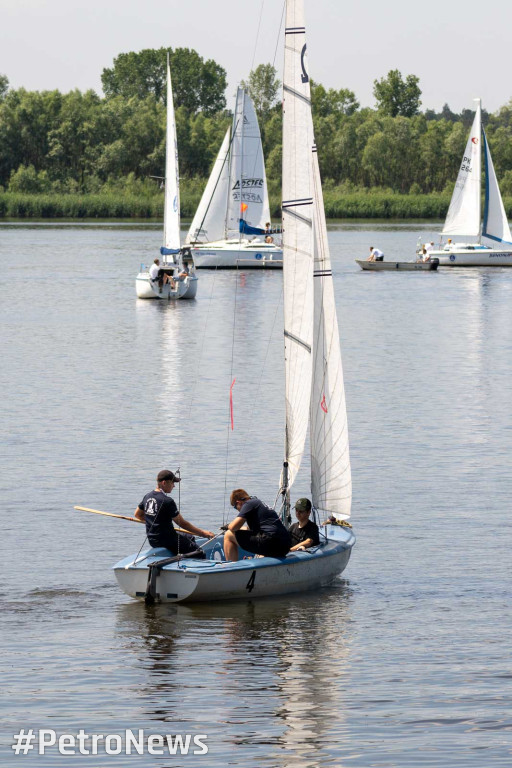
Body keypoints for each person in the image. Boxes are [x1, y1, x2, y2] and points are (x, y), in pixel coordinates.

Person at [134, 469, 215, 556]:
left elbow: (137, 515)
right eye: (172, 483)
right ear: (164, 483)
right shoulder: (168, 501)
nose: (174, 486)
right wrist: (203, 533)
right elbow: (182, 523)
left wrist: (154, 521)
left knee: (190, 537)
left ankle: (183, 557)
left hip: (152, 540)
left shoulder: (147, 496)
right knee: (200, 553)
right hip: (168, 540)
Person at [224, 489, 292, 561]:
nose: (237, 510)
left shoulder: (248, 504)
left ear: (239, 503)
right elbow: (250, 530)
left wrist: (228, 526)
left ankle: (232, 567)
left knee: (228, 535)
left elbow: (233, 527)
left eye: (235, 507)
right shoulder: (257, 503)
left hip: (271, 542)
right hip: (285, 545)